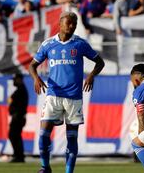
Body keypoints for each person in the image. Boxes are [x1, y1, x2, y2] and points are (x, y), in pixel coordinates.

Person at [29, 12, 105, 173]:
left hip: (74, 98)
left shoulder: (80, 44)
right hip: (53, 95)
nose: (72, 26)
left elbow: (100, 62)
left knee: (72, 138)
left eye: (74, 24)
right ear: (60, 24)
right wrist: (36, 78)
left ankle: (68, 171)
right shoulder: (48, 44)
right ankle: (45, 167)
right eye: (69, 23)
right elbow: (32, 66)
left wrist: (91, 76)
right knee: (43, 134)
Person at [8, 73, 28, 163]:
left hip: (18, 117)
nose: (14, 81)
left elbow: (20, 105)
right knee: (15, 136)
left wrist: (16, 114)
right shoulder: (20, 89)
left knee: (14, 135)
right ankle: (18, 155)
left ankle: (19, 156)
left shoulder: (21, 90)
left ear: (19, 79)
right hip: (17, 116)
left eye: (15, 79)